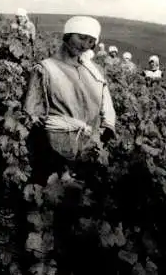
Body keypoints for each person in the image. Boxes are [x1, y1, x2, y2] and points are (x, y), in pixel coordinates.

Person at [23, 16, 116, 185]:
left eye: (90, 41)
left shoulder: (94, 71)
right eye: (81, 38)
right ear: (67, 35)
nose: (84, 45)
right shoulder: (45, 68)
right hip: (55, 148)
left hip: (88, 148)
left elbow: (106, 106)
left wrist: (105, 129)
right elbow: (32, 113)